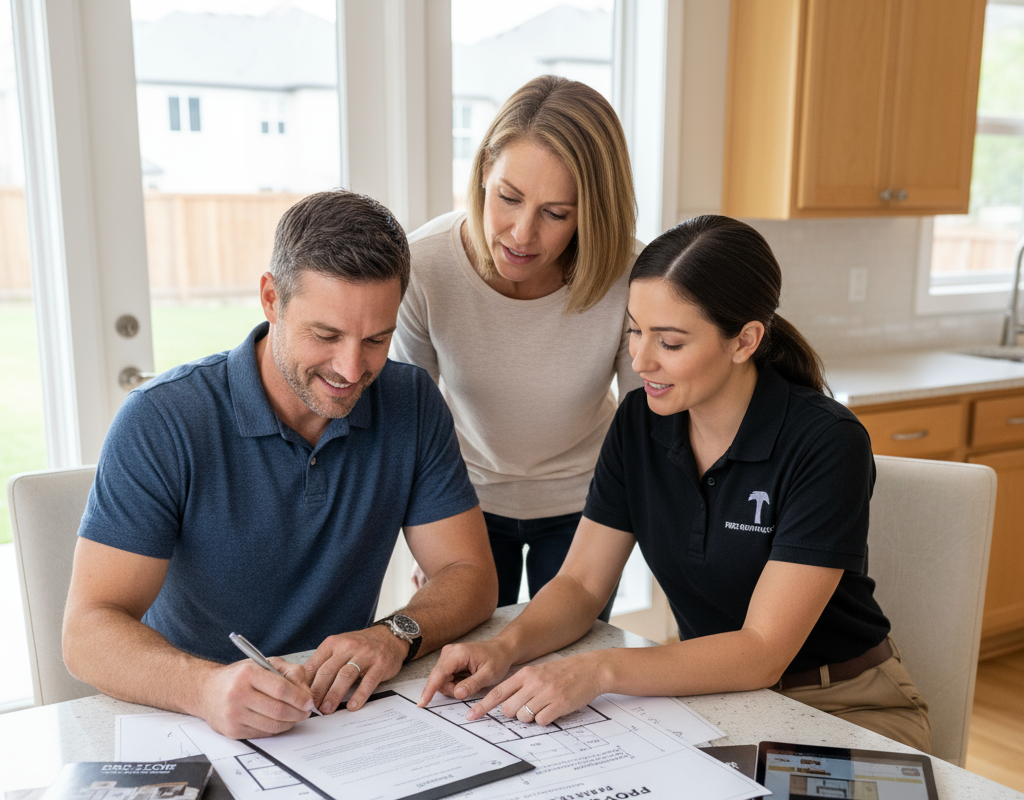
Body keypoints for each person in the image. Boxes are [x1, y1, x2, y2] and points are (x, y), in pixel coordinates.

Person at [418, 215, 931, 753]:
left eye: (670, 342)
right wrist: (505, 648)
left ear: (745, 340)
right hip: (718, 699)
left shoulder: (826, 441)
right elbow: (582, 585)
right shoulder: (639, 422)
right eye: (635, 330)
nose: (640, 360)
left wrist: (599, 670)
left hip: (843, 704)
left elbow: (762, 650)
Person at [63, 190, 498, 740]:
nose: (351, 369)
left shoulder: (410, 402)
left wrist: (395, 633)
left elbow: (471, 574)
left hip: (337, 720)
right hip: (192, 717)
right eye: (326, 335)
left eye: (376, 340)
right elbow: (87, 632)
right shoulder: (162, 420)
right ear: (271, 299)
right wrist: (204, 688)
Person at [391, 76, 640, 620]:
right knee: (464, 658)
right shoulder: (424, 266)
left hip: (585, 508)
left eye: (556, 213)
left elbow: (645, 419)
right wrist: (429, 536)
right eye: (508, 198)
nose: (522, 234)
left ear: (592, 212)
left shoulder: (632, 277)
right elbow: (409, 418)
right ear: (484, 170)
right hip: (463, 504)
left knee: (560, 661)